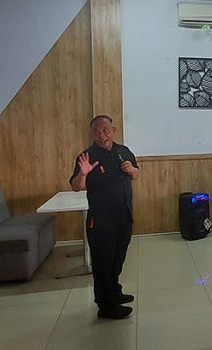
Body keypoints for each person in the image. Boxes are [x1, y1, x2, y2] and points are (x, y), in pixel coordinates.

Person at [69, 115, 140, 320]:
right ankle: (106, 305)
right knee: (103, 262)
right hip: (100, 220)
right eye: (97, 132)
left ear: (114, 130)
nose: (102, 135)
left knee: (118, 257)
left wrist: (132, 169)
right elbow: (76, 187)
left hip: (123, 215)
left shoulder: (123, 151)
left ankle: (114, 291)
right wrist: (83, 173)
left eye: (105, 130)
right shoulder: (86, 156)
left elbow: (136, 175)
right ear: (92, 134)